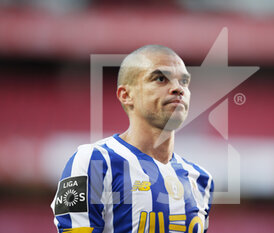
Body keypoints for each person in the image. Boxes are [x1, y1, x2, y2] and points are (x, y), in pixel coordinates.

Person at [51, 45, 214, 233]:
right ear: (126, 95)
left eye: (184, 81)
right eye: (161, 79)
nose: (178, 88)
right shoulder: (94, 162)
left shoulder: (201, 179)